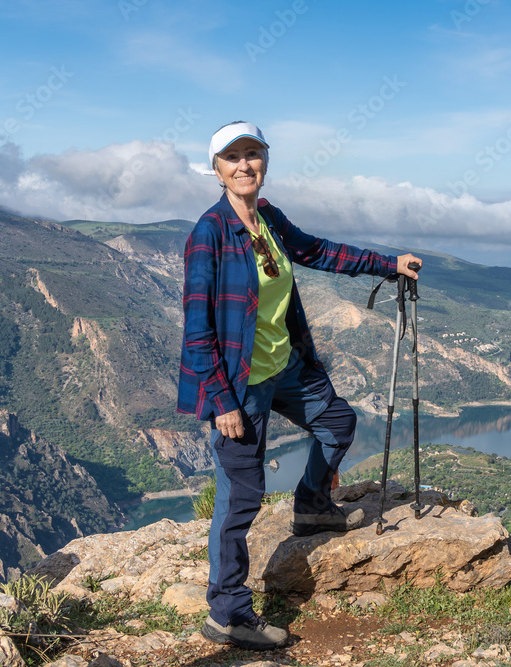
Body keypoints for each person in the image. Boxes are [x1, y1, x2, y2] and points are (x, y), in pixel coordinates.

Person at [177, 121, 421, 650]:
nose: (245, 165)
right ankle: (227, 614)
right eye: (233, 157)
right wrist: (222, 403)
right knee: (241, 495)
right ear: (216, 169)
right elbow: (197, 330)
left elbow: (319, 251)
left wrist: (388, 263)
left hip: (283, 365)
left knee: (337, 422)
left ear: (264, 162)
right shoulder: (210, 232)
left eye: (254, 155)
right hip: (241, 383)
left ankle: (311, 505)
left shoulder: (267, 217)